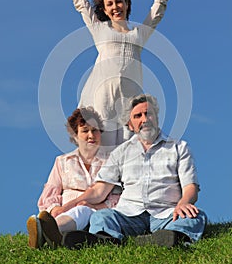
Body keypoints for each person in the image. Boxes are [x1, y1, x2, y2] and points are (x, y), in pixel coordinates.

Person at [42, 0, 197, 148]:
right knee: (102, 144)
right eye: (110, 4)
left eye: (119, 2)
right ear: (105, 10)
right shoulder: (100, 29)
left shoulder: (139, 33)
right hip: (103, 93)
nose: (115, 7)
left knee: (129, 145)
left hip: (129, 95)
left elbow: (159, 7)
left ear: (127, 4)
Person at [40, 93, 207, 249]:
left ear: (156, 117)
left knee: (196, 216)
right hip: (129, 214)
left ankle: (172, 236)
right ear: (130, 124)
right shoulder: (120, 153)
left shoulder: (179, 148)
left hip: (167, 212)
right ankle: (105, 239)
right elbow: (98, 191)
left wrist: (183, 203)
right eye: (137, 116)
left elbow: (190, 186)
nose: (144, 119)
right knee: (101, 216)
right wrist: (67, 206)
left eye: (148, 114)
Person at [26, 107, 121, 249]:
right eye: (85, 130)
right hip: (64, 213)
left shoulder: (111, 162)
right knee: (73, 212)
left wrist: (94, 206)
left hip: (96, 214)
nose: (91, 135)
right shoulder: (62, 162)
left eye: (95, 130)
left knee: (82, 210)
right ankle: (49, 230)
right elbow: (49, 195)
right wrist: (55, 209)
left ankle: (48, 231)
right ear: (75, 135)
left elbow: (117, 198)